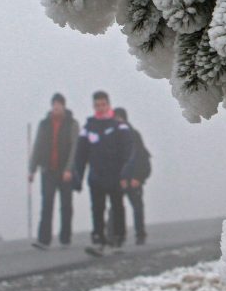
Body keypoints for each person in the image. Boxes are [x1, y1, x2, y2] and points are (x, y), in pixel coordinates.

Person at [71, 91, 134, 250]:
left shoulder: (120, 126)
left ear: (108, 105)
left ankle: (118, 237)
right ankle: (99, 238)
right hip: (96, 176)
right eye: (97, 105)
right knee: (97, 208)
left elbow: (127, 152)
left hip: (115, 175)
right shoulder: (88, 128)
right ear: (94, 106)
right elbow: (80, 155)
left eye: (103, 105)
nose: (100, 108)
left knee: (117, 206)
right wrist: (78, 176)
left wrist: (125, 173)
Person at [28, 93, 78, 249]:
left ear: (64, 106)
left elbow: (75, 148)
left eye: (59, 104)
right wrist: (32, 169)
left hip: (65, 171)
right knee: (47, 203)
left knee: (66, 205)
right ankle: (44, 239)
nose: (56, 107)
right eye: (54, 104)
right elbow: (37, 146)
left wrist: (69, 169)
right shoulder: (44, 124)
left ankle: (65, 238)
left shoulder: (72, 124)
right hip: (48, 169)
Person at [114, 107, 152, 246]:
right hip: (119, 180)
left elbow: (142, 158)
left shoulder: (134, 135)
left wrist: (138, 178)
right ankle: (115, 238)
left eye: (118, 118)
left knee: (137, 207)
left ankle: (140, 235)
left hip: (134, 179)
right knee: (115, 208)